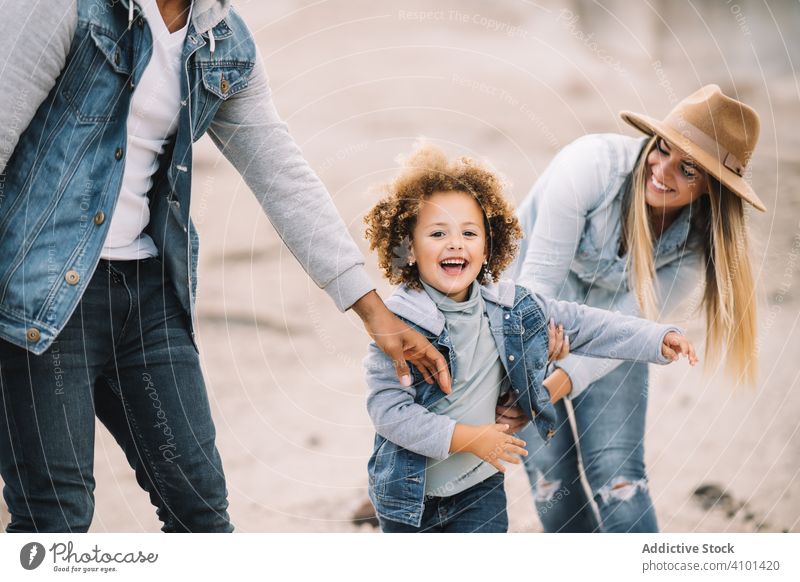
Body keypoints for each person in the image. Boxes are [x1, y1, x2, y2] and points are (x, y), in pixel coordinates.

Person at [0, 0, 450, 533]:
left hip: (148, 299)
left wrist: (373, 312)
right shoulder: (63, 7)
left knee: (202, 512)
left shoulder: (223, 43)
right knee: (56, 517)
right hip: (40, 299)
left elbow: (280, 172)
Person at [362, 144, 697, 533]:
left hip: (478, 492)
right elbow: (388, 411)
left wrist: (657, 338)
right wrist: (468, 438)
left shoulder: (510, 307)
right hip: (408, 497)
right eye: (438, 233)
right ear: (408, 248)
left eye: (469, 232)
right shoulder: (398, 325)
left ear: (490, 244)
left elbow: (588, 325)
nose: (456, 243)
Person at [498, 85, 763, 532]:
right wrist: (528, 383)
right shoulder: (590, 167)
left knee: (620, 480)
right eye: (662, 148)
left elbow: (627, 326)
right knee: (552, 481)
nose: (662, 170)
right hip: (522, 319)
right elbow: (535, 290)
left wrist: (557, 383)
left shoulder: (700, 248)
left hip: (613, 338)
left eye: (689, 169)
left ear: (711, 190)